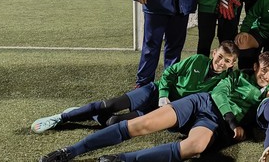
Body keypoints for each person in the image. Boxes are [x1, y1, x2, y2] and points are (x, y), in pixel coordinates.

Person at [39, 52, 269, 162]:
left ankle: (122, 159)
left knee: (194, 147)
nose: (266, 75)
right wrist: (233, 121)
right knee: (140, 125)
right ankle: (70, 151)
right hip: (201, 103)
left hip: (211, 122)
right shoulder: (234, 77)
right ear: (255, 68)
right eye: (263, 70)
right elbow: (219, 94)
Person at [30, 41, 239, 133]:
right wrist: (163, 94)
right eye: (220, 57)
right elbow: (168, 74)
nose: (221, 63)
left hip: (163, 110)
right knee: (109, 105)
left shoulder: (224, 82)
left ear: (232, 64)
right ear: (214, 53)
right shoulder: (197, 60)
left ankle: (82, 114)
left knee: (113, 122)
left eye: (227, 61)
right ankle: (61, 117)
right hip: (154, 92)